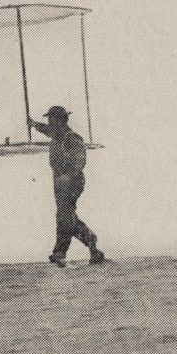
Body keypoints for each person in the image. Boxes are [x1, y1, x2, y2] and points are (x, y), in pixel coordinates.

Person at [29, 106, 105, 267]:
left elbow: (79, 160)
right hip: (60, 180)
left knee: (65, 216)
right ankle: (89, 247)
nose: (49, 122)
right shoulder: (58, 134)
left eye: (51, 119)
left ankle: (62, 252)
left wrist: (67, 176)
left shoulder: (71, 137)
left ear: (60, 120)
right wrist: (35, 124)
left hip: (71, 181)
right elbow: (47, 130)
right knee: (65, 216)